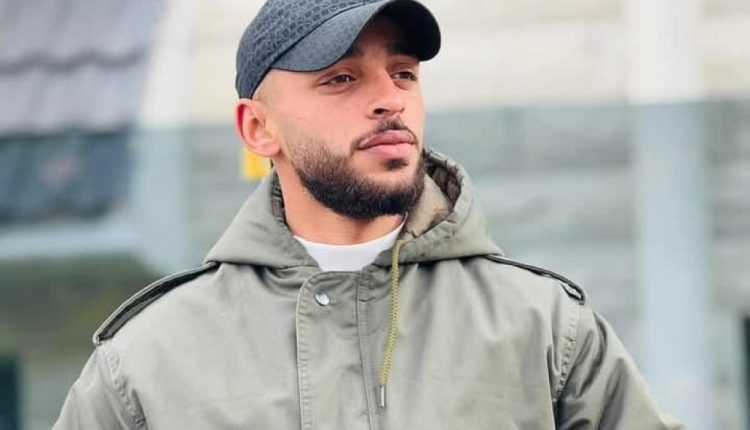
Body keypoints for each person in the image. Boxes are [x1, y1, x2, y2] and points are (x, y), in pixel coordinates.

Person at [54, 0, 685, 428]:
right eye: (341, 79)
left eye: (403, 73)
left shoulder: (546, 331)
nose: (390, 99)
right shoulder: (147, 362)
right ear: (258, 128)